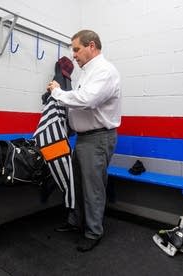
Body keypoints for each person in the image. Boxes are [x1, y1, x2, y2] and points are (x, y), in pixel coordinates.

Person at [47, 30, 121, 252]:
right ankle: (76, 223)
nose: (74, 55)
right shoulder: (86, 72)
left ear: (91, 46)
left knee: (92, 188)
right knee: (77, 184)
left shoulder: (105, 71)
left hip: (97, 138)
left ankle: (93, 232)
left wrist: (58, 93)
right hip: (83, 138)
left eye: (76, 49)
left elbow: (86, 100)